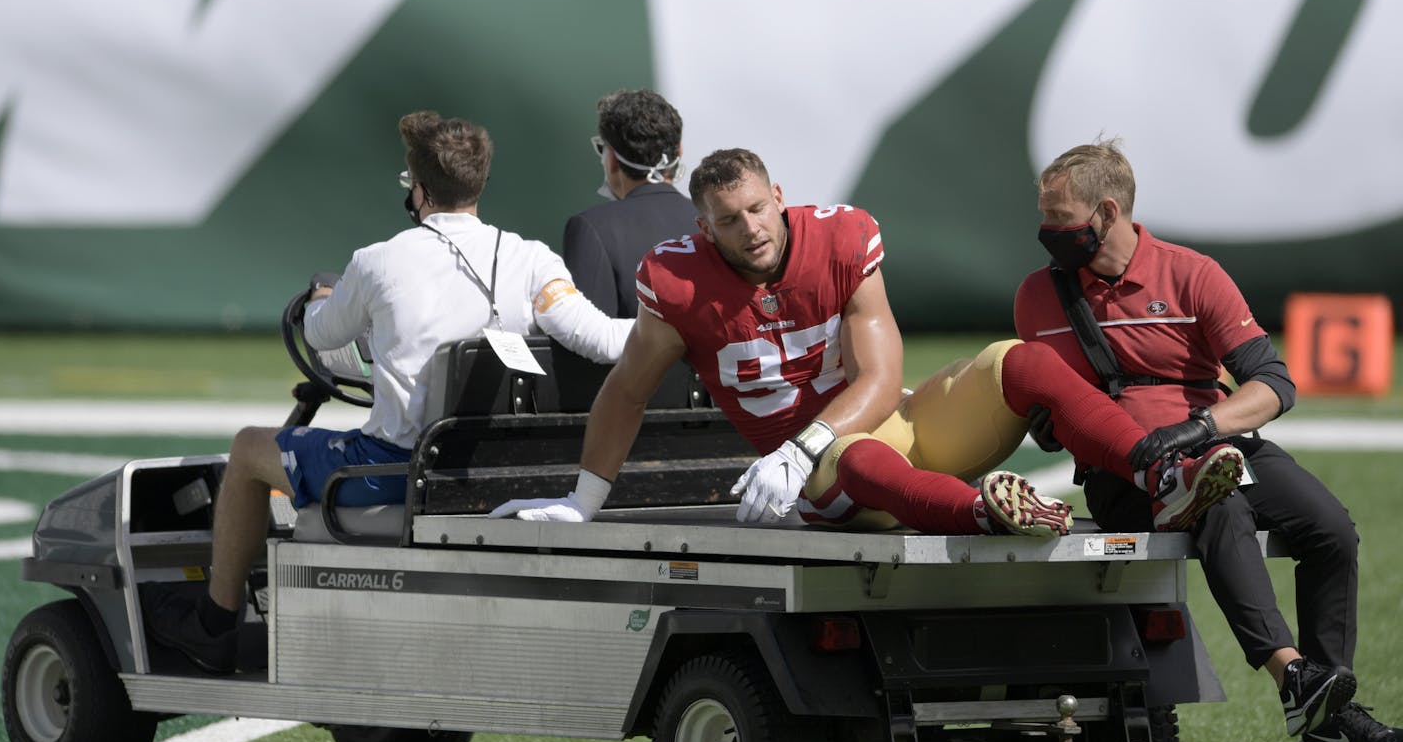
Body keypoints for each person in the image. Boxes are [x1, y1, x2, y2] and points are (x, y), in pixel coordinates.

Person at [491, 148, 1242, 544]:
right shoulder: (678, 280)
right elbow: (627, 389)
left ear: (778, 195)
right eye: (729, 219)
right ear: (703, 227)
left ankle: (1160, 473)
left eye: (758, 207)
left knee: (1018, 359)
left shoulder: (841, 236)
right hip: (827, 481)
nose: (750, 227)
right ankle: (993, 514)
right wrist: (585, 500)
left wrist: (800, 441)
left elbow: (883, 379)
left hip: (887, 419)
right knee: (856, 458)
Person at [144, 111, 633, 675]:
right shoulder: (532, 261)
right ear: (479, 182)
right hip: (489, 471)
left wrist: (327, 296)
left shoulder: (377, 263)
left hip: (395, 471)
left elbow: (322, 332)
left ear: (419, 189)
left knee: (250, 446)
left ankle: (213, 624)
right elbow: (604, 339)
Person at [1015, 139, 1402, 742]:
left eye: (1059, 219)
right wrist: (1048, 423)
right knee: (1216, 509)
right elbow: (1050, 404)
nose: (1046, 232)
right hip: (1123, 470)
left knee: (1331, 528)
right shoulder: (1036, 296)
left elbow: (1274, 384)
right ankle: (1294, 678)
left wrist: (1198, 429)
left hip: (1214, 442)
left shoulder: (1192, 273)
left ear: (1107, 212)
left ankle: (1329, 711)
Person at [563, 88, 699, 317]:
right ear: (680, 152)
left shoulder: (590, 227)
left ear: (612, 159)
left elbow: (588, 340)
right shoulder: (713, 222)